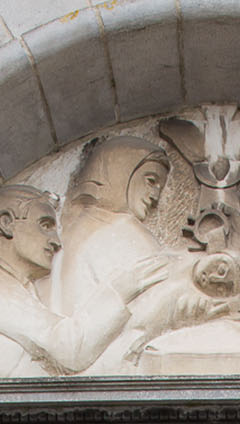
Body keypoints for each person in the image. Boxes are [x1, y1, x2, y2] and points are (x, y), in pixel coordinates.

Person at [0, 181, 169, 380]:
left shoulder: (8, 287)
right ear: (6, 223)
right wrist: (120, 289)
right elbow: (70, 348)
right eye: (45, 225)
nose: (56, 242)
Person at [55, 137, 226, 371]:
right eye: (151, 181)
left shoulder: (79, 228)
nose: (155, 196)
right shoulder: (119, 229)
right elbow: (161, 295)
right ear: (121, 174)